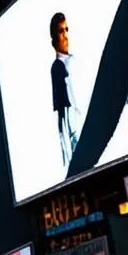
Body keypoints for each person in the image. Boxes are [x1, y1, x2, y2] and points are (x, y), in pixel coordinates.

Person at [50, 12, 82, 168]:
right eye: (61, 31)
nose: (66, 35)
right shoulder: (58, 68)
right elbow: (61, 115)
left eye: (66, 30)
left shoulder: (74, 61)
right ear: (53, 39)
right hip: (74, 131)